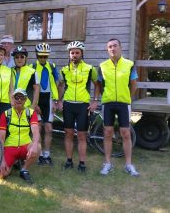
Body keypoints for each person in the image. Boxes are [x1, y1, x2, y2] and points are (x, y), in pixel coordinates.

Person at [98, 38, 139, 176]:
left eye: (115, 46)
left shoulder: (129, 64)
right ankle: (107, 163)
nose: (112, 48)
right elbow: (99, 85)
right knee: (108, 132)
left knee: (125, 133)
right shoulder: (102, 66)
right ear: (107, 49)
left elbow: (133, 84)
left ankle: (128, 164)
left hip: (123, 103)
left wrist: (128, 98)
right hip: (108, 103)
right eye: (109, 46)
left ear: (120, 47)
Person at [57, 41, 99, 173]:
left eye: (77, 53)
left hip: (83, 106)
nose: (74, 55)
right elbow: (61, 86)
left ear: (82, 54)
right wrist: (59, 101)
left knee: (81, 135)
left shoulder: (90, 68)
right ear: (69, 54)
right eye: (72, 53)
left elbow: (97, 85)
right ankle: (69, 161)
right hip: (68, 105)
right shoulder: (64, 70)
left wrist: (95, 101)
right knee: (68, 134)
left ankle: (82, 163)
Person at [0, 89, 41, 184]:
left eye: (22, 97)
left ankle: (24, 169)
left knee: (38, 146)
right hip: (10, 146)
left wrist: (35, 144)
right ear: (12, 99)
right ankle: (14, 162)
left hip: (25, 145)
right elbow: (1, 138)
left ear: (25, 100)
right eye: (16, 97)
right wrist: (2, 160)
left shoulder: (31, 113)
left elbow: (36, 132)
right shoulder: (6, 114)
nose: (19, 100)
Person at [31, 43, 59, 166]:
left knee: (48, 128)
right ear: (37, 55)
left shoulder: (52, 66)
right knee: (38, 128)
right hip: (37, 99)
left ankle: (47, 155)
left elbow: (57, 84)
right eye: (41, 56)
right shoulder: (31, 67)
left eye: (45, 56)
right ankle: (39, 154)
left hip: (48, 98)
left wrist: (56, 101)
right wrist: (34, 103)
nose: (43, 59)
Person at [11, 45, 39, 110]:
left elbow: (37, 90)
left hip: (26, 106)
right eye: (17, 57)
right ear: (14, 59)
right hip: (11, 106)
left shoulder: (32, 72)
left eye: (22, 57)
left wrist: (33, 106)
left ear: (26, 58)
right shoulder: (10, 71)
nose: (19, 59)